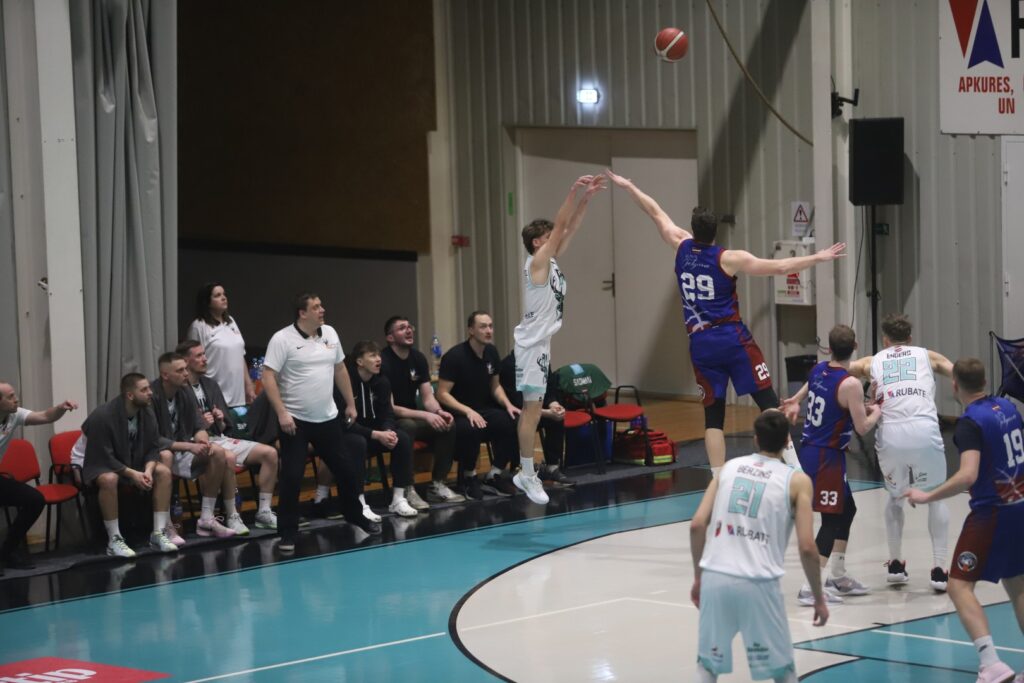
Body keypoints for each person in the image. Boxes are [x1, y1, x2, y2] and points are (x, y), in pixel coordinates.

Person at [605, 169, 845, 476]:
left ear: (692, 229)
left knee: (713, 418)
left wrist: (629, 186)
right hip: (731, 338)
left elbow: (655, 211)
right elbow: (781, 266)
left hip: (700, 343)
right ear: (715, 232)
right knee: (768, 401)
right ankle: (796, 470)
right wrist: (818, 257)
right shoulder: (728, 258)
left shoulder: (680, 245)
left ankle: (718, 480)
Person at [904, 358, 1024, 683]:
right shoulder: (1008, 408)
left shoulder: (970, 423)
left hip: (992, 512)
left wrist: (927, 496)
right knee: (1017, 583)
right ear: (984, 381)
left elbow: (968, 475)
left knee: (958, 585)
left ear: (954, 385)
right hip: (1020, 507)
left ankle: (991, 663)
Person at [690, 410, 828, 683]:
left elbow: (697, 525)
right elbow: (807, 547)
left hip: (716, 576)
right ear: (787, 440)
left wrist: (698, 577)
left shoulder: (728, 468)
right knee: (783, 671)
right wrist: (818, 598)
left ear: (755, 439)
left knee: (707, 667)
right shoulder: (797, 481)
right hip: (759, 582)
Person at [512, 174, 605, 504]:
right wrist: (572, 191)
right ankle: (526, 473)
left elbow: (570, 227)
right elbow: (562, 223)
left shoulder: (550, 260)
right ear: (538, 242)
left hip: (541, 344)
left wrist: (586, 199)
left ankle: (526, 472)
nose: (556, 237)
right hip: (530, 345)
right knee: (531, 411)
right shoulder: (537, 262)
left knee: (534, 410)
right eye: (549, 236)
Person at [261, 292, 378, 553]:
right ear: (302, 313)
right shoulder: (282, 339)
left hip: (327, 418)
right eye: (316, 307)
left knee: (346, 470)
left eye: (321, 305)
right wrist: (281, 412)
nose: (322, 310)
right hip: (295, 420)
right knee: (292, 476)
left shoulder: (330, 333)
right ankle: (288, 532)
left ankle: (355, 515)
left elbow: (340, 369)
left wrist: (350, 403)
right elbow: (268, 377)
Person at [848, 313, 955, 590]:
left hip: (891, 434)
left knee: (895, 498)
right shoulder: (926, 355)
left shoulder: (872, 361)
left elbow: (839, 370)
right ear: (910, 338)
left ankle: (895, 564)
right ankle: (940, 570)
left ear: (885, 340)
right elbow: (956, 372)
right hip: (924, 429)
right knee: (935, 498)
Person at [782, 325, 881, 604]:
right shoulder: (850, 384)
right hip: (826, 457)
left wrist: (796, 399)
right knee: (832, 519)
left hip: (815, 451)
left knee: (848, 509)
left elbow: (817, 392)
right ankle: (809, 587)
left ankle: (837, 575)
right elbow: (862, 427)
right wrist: (878, 410)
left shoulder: (818, 369)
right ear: (855, 346)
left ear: (828, 348)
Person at [176, 340, 279, 531]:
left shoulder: (210, 385)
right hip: (193, 444)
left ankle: (264, 512)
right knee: (227, 457)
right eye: (199, 355)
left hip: (219, 438)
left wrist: (220, 419)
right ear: (185, 360)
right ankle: (231, 515)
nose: (205, 359)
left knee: (270, 453)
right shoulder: (179, 389)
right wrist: (201, 425)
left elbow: (225, 427)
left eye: (204, 354)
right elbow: (178, 429)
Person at [81, 373, 177, 557]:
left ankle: (158, 533)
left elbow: (153, 447)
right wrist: (133, 474)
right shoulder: (102, 416)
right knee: (109, 479)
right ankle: (114, 540)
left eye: (149, 388)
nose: (150, 392)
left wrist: (147, 470)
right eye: (144, 389)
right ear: (130, 395)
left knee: (163, 472)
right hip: (91, 460)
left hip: (129, 459)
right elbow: (103, 456)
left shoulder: (147, 412)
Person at [151, 352, 243, 539]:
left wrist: (203, 441)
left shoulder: (184, 392)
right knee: (166, 455)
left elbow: (198, 426)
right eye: (180, 370)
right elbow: (152, 439)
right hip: (156, 452)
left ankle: (207, 518)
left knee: (218, 453)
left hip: (182, 449)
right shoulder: (152, 396)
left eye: (185, 369)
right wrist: (189, 446)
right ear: (165, 375)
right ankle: (166, 525)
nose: (186, 374)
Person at [436, 311, 521, 500]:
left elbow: (495, 386)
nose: (488, 330)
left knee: (513, 420)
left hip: (485, 408)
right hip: (459, 412)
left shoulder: (491, 352)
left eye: (490, 326)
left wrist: (508, 405)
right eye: (483, 327)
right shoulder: (455, 356)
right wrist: (468, 411)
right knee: (472, 427)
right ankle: (469, 477)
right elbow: (442, 394)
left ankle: (494, 474)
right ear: (471, 330)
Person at [380, 315, 464, 504]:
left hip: (413, 416)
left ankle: (438, 484)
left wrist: (439, 412)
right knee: (407, 427)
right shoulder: (383, 361)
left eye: (409, 327)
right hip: (390, 421)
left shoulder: (418, 358)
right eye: (402, 328)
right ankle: (406, 488)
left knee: (447, 425)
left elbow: (427, 398)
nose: (408, 330)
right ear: (390, 337)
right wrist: (426, 415)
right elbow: (391, 408)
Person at [0, 383, 78, 572]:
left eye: (15, 395)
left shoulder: (14, 415)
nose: (16, 399)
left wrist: (60, 408)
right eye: (10, 397)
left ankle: (7, 552)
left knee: (35, 500)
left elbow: (45, 416)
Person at [343, 340, 419, 517]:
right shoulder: (346, 383)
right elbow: (345, 423)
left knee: (402, 438)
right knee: (357, 443)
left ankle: (398, 499)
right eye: (372, 356)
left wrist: (388, 431)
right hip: (352, 434)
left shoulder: (382, 382)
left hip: (377, 433)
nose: (378, 359)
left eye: (379, 355)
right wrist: (376, 434)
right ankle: (359, 502)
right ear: (359, 361)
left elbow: (388, 413)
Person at [499, 350, 574, 487]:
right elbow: (518, 403)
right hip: (517, 411)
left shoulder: (542, 360)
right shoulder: (509, 365)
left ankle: (552, 467)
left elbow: (549, 389)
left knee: (556, 418)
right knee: (517, 421)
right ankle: (519, 468)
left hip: (537, 408)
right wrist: (547, 413)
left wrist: (554, 405)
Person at [186, 282, 256, 408]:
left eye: (224, 294)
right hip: (214, 395)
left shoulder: (231, 321)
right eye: (217, 295)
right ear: (207, 302)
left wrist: (248, 385)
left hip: (237, 396)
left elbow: (240, 355)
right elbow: (191, 362)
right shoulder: (199, 326)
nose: (223, 298)